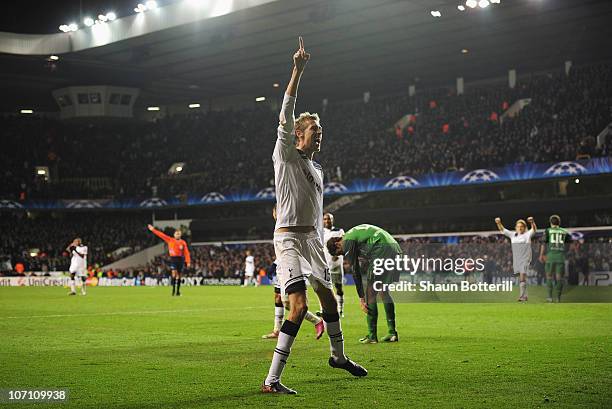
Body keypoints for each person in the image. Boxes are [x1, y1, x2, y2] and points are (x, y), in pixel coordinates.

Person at [262, 37, 367, 395]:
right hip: (289, 238)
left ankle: (338, 357)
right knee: (298, 305)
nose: (319, 137)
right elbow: (287, 109)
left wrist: (329, 241)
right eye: (314, 132)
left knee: (329, 301)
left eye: (321, 133)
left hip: (311, 240)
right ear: (297, 135)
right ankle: (272, 380)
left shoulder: (317, 169)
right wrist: (298, 69)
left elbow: (316, 210)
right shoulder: (287, 155)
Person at [327, 224, 400, 344]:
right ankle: (392, 333)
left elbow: (355, 272)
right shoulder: (352, 234)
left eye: (340, 253)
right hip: (393, 247)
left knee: (370, 294)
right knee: (383, 291)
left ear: (337, 244)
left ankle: (372, 336)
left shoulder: (347, 241)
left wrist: (362, 298)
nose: (343, 255)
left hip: (381, 249)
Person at [262, 205, 324, 340]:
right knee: (279, 299)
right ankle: (277, 330)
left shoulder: (291, 225)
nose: (275, 214)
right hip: (281, 265)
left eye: (277, 211)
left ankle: (317, 321)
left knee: (291, 303)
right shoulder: (279, 227)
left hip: (291, 266)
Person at [495, 216, 536, 301]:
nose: (520, 228)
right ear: (516, 228)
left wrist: (532, 222)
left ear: (524, 227)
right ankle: (525, 295)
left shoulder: (527, 234)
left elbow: (534, 229)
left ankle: (522, 296)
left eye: (522, 226)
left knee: (522, 275)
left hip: (525, 258)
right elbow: (502, 230)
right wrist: (498, 223)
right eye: (518, 226)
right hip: (517, 259)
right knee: (522, 277)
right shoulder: (513, 235)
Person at [147, 224, 191, 296]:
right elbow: (161, 234)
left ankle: (178, 291)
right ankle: (173, 290)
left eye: (179, 234)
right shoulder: (170, 240)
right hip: (173, 259)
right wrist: (153, 230)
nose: (178, 235)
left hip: (180, 259)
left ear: (180, 235)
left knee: (179, 276)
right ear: (174, 235)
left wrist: (188, 262)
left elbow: (186, 252)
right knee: (173, 273)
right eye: (176, 234)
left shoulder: (183, 242)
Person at [539, 215, 571, 302]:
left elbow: (543, 244)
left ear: (550, 222)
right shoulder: (564, 231)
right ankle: (558, 298)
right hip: (560, 257)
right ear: (559, 222)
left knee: (549, 277)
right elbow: (569, 245)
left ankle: (549, 297)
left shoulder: (548, 230)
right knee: (559, 278)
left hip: (550, 257)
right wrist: (565, 253)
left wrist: (541, 255)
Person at [323, 213, 345, 316]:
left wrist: (337, 254)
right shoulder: (320, 232)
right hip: (325, 264)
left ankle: (340, 310)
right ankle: (325, 310)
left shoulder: (339, 231)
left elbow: (344, 244)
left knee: (338, 287)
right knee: (325, 289)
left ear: (333, 220)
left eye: (329, 219)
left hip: (337, 263)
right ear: (323, 221)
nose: (327, 221)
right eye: (325, 219)